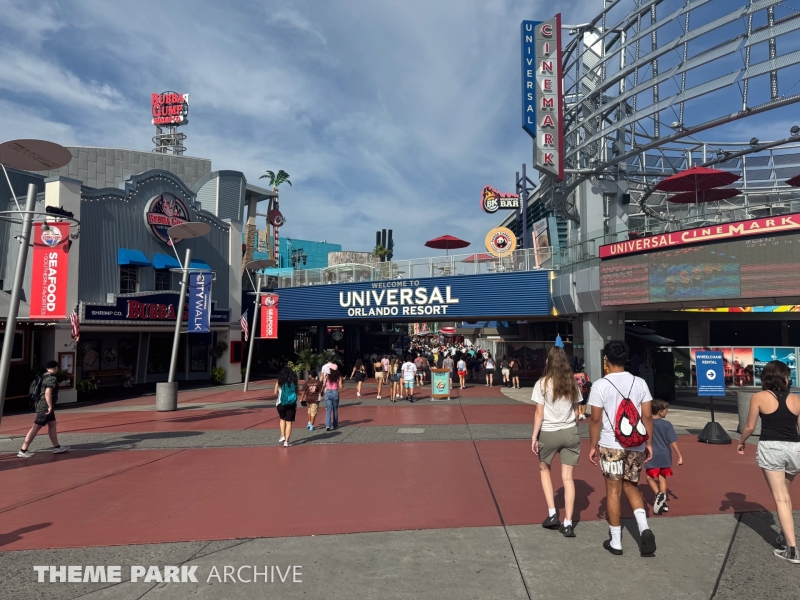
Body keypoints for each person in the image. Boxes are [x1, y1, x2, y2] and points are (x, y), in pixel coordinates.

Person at [588, 340, 656, 557]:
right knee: (631, 485)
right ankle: (644, 528)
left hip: (611, 444)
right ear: (626, 359)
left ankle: (616, 541)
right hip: (636, 443)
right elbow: (647, 416)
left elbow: (595, 419)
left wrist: (592, 445)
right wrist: (649, 443)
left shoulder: (600, 385)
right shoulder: (640, 382)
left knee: (613, 491)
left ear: (606, 359)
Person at [738, 360, 800, 564]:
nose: (789, 378)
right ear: (782, 377)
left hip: (772, 448)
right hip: (794, 449)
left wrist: (742, 442)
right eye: (788, 375)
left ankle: (791, 550)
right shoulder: (796, 399)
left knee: (780, 497)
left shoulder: (759, 397)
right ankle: (784, 535)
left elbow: (749, 426)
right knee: (786, 494)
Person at [531, 346, 582, 537]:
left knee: (544, 470)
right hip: (569, 432)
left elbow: (539, 413)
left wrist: (534, 436)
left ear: (549, 362)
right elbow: (577, 412)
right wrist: (573, 427)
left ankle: (552, 513)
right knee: (568, 478)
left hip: (549, 432)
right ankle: (568, 523)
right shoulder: (572, 383)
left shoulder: (542, 384)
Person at [18, 361, 69, 458]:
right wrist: (49, 406)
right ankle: (23, 450)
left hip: (41, 404)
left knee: (52, 424)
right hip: (45, 406)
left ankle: (57, 447)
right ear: (56, 367)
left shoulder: (42, 377)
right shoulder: (51, 378)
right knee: (35, 427)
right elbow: (47, 393)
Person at [646, 399, 683, 515]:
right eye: (666, 410)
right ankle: (662, 501)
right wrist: (679, 455)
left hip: (651, 454)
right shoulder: (667, 424)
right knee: (662, 477)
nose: (667, 412)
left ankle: (659, 495)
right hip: (665, 454)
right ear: (661, 412)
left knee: (649, 477)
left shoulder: (646, 423)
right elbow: (673, 441)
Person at [273, 367, 298, 447]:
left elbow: (274, 393)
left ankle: (282, 435)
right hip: (291, 404)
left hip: (280, 404)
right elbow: (297, 392)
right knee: (289, 422)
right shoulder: (294, 382)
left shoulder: (279, 382)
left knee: (282, 419)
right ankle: (286, 442)